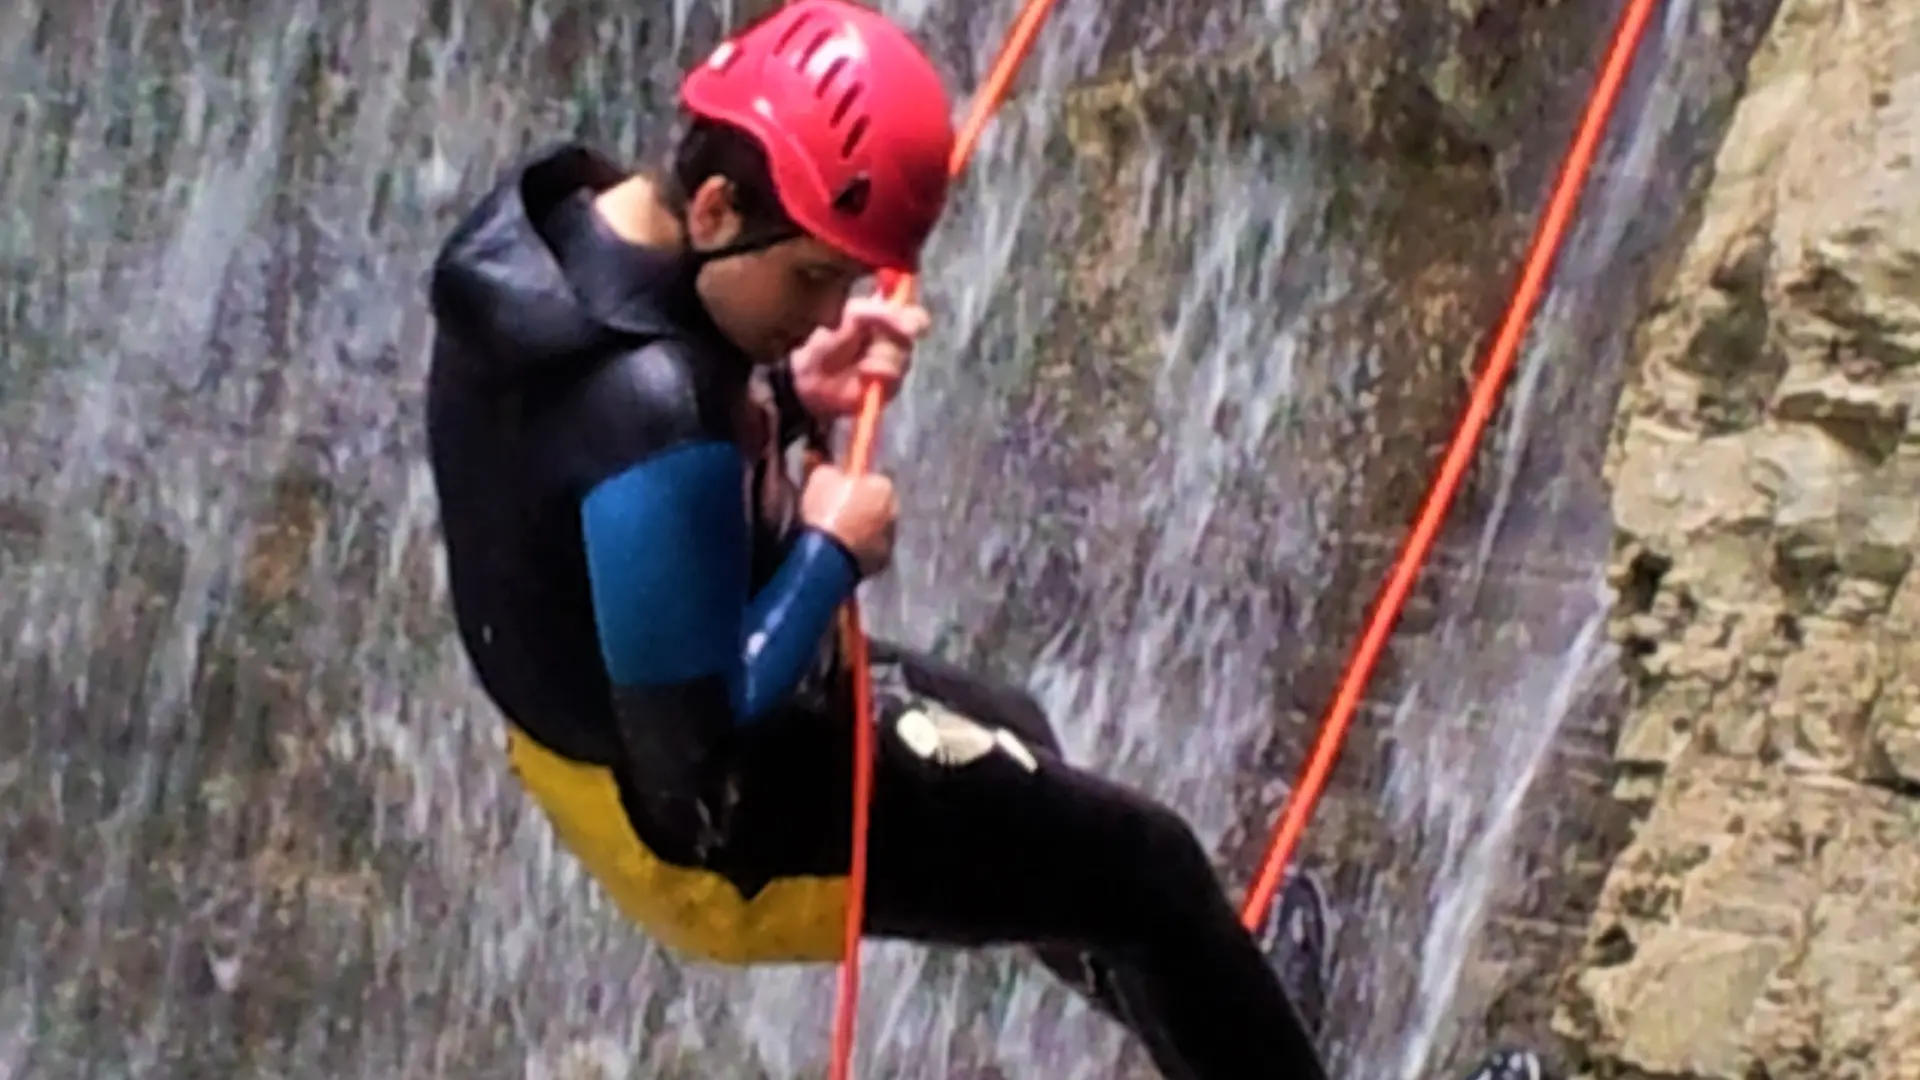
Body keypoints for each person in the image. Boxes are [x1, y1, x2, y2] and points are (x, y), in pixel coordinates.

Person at [421, 2, 1550, 1078]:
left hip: (605, 748)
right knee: (1148, 867)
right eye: (814, 276)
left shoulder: (560, 236)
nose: (828, 311)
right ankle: (1200, 975)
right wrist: (826, 556)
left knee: (1014, 735)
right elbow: (694, 752)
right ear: (715, 205)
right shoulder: (647, 413)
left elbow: (596, 485)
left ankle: (1216, 1012)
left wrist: (787, 400)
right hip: (710, 832)